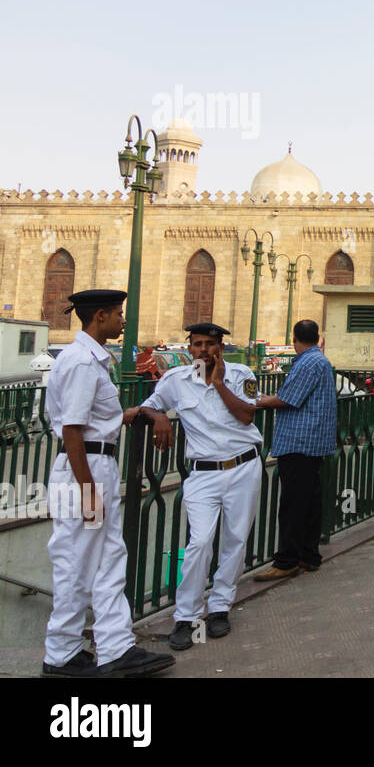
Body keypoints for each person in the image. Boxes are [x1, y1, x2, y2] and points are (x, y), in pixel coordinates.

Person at [42, 289, 174, 678]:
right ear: (99, 316)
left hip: (95, 463)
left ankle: (113, 648)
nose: (122, 321)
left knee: (107, 560)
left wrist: (130, 413)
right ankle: (61, 654)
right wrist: (86, 489)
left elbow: (93, 420)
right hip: (85, 466)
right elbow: (72, 430)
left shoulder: (89, 359)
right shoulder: (83, 362)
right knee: (77, 563)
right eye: (118, 314)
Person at [131, 323, 263, 651]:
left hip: (244, 466)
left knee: (234, 539)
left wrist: (218, 383)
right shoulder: (176, 381)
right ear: (190, 348)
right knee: (200, 541)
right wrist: (158, 417)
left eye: (210, 344)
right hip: (203, 473)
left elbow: (247, 415)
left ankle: (219, 607)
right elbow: (149, 405)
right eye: (197, 344)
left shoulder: (241, 373)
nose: (203, 350)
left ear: (221, 347)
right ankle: (186, 616)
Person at [253, 320, 337, 581]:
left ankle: (287, 559)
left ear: (294, 338)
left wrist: (261, 400)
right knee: (309, 501)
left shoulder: (307, 363)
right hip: (313, 441)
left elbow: (287, 399)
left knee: (293, 504)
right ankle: (308, 555)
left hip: (299, 441)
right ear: (318, 336)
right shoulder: (320, 361)